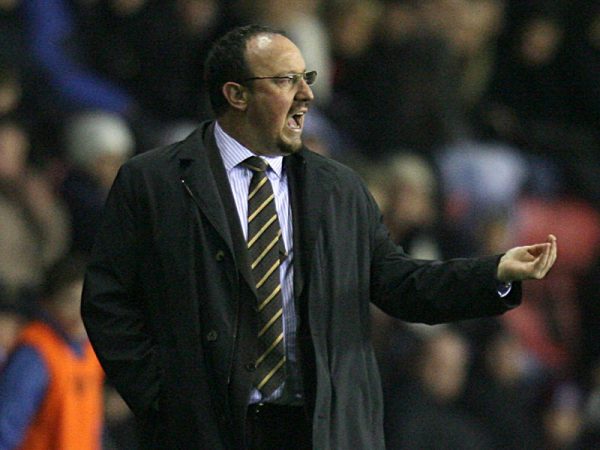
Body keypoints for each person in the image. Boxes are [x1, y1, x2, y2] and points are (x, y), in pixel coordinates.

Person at [81, 24, 558, 450]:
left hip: (322, 429)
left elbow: (397, 283)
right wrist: (161, 398)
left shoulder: (340, 188)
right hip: (206, 430)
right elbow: (107, 300)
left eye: (306, 78)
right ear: (236, 94)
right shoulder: (155, 183)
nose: (307, 95)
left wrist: (494, 272)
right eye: (286, 81)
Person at [0, 253, 104, 449]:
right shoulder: (35, 354)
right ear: (48, 304)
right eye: (70, 301)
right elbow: (6, 427)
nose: (79, 312)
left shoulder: (90, 350)